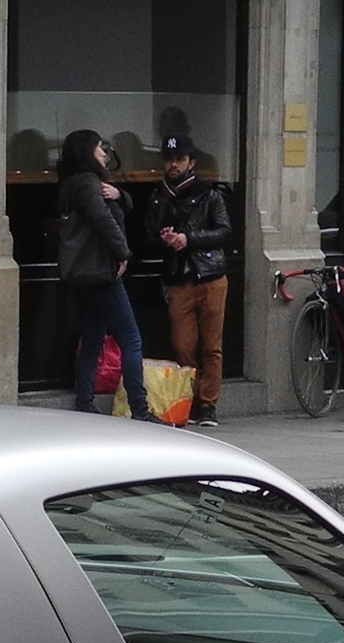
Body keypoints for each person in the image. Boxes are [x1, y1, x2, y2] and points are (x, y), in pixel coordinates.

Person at [55, 129, 156, 421]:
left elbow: (119, 205)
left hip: (82, 275)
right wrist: (123, 252)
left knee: (92, 340)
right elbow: (103, 220)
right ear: (88, 151)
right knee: (131, 339)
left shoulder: (74, 182)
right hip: (100, 272)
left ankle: (84, 403)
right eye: (100, 147)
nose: (104, 152)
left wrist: (120, 194)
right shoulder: (88, 182)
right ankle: (140, 408)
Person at [144, 132, 231, 425]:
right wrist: (165, 239)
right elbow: (147, 235)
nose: (173, 165)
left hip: (210, 276)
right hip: (178, 278)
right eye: (169, 159)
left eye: (179, 159)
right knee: (182, 345)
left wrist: (188, 238)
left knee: (212, 346)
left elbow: (224, 231)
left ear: (191, 162)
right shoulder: (158, 195)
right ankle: (188, 398)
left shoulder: (209, 194)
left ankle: (207, 405)